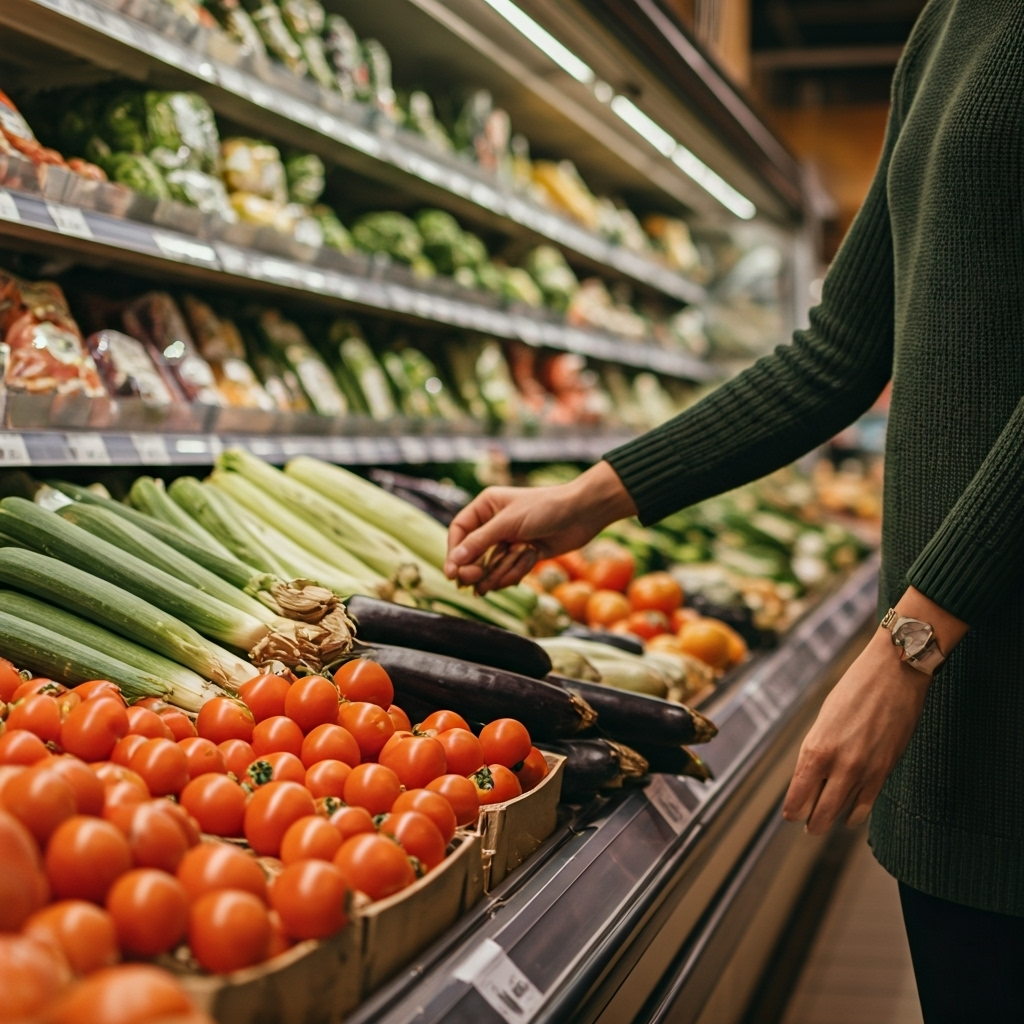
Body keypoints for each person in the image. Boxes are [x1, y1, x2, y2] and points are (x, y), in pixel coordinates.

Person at [443, 2, 1024, 1020]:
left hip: (947, 664)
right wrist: (591, 497)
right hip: (957, 740)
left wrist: (907, 642)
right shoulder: (945, 29)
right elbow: (837, 352)